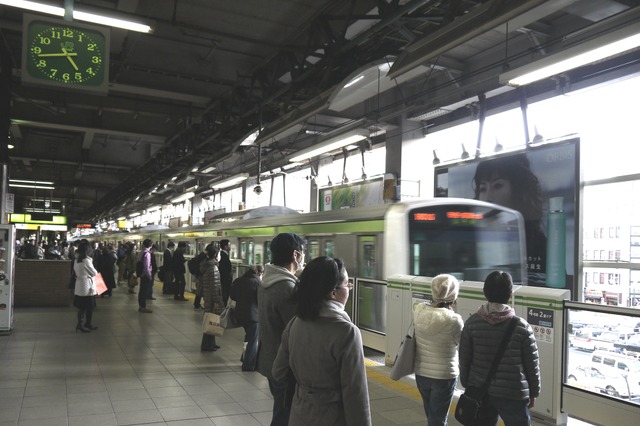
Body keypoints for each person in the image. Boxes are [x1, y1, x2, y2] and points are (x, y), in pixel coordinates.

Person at [272, 257, 371, 425]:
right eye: (347, 285)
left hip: (299, 414)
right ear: (333, 292)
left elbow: (278, 372)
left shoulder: (295, 323)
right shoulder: (347, 332)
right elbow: (355, 394)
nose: (349, 289)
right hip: (332, 417)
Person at [459, 271, 541, 426]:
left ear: (484, 293)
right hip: (513, 392)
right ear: (510, 294)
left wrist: (467, 384)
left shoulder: (471, 324)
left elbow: (464, 358)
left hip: (480, 390)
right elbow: (532, 364)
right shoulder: (522, 327)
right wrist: (533, 392)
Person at [473, 154, 546, 285]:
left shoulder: (539, 244)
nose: (488, 197)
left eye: (497, 186)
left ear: (518, 190)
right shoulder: (472, 240)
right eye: (483, 188)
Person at [257, 232, 306, 426]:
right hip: (284, 366)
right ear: (295, 255)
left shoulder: (267, 281)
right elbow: (298, 330)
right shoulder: (287, 288)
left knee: (281, 409)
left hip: (270, 360)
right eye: (302, 253)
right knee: (284, 417)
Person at [413, 274, 464, 426]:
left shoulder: (419, 310)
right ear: (453, 296)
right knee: (438, 419)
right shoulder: (454, 320)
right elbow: (461, 344)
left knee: (432, 416)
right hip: (444, 376)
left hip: (421, 372)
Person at [230, 264, 263, 371]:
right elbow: (261, 300)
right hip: (253, 316)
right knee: (253, 340)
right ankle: (248, 365)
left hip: (240, 314)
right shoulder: (258, 283)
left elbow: (232, 296)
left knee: (248, 337)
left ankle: (244, 358)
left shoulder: (238, 280)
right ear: (259, 273)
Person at [200, 244, 223, 351]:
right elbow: (215, 286)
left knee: (211, 320)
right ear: (215, 255)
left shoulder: (207, 266)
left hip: (208, 296)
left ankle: (211, 343)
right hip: (212, 298)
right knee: (210, 320)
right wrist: (217, 301)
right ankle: (206, 345)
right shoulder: (213, 268)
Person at [73, 241, 98, 332]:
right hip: (87, 286)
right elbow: (94, 273)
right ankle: (86, 324)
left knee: (81, 307)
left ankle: (80, 324)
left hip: (79, 285)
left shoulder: (77, 260)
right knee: (89, 306)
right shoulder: (86, 261)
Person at [137, 239, 154, 313]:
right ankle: (143, 307)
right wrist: (149, 276)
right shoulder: (147, 254)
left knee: (141, 291)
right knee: (144, 291)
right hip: (145, 275)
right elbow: (147, 267)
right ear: (150, 245)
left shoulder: (141, 252)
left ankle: (141, 306)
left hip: (141, 274)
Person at [218, 239, 233, 305]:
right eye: (229, 245)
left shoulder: (222, 255)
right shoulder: (223, 256)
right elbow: (224, 270)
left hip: (224, 280)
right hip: (225, 280)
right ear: (225, 246)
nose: (230, 247)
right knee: (225, 294)